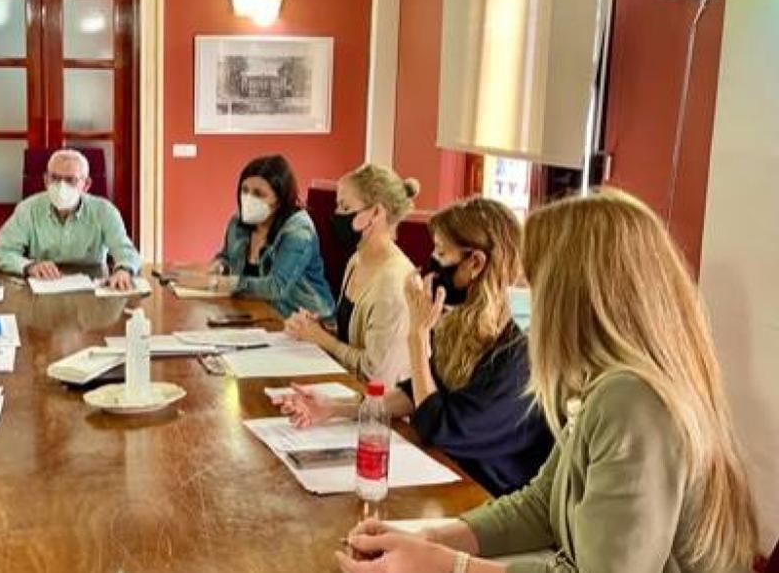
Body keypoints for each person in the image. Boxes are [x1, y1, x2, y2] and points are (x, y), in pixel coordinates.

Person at [334, 191, 758, 573]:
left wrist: (448, 565)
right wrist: (429, 538)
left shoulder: (633, 402)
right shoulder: (603, 384)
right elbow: (540, 504)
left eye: (536, 288)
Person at [281, 197, 552, 495]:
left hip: (485, 496)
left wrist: (417, 336)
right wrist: (334, 408)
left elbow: (436, 425)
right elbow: (415, 395)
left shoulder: (515, 358)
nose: (431, 262)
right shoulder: (460, 326)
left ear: (475, 263)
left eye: (441, 252)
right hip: (446, 478)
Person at [283, 164, 418, 387]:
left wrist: (322, 339)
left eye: (345, 207)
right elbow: (352, 337)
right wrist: (317, 328)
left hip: (379, 401)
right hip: (345, 387)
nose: (337, 215)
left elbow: (376, 373)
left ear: (376, 213)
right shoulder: (357, 259)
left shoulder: (394, 283)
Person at [173, 155, 333, 318]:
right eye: (245, 190)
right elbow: (227, 257)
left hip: (305, 320)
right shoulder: (238, 222)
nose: (248, 199)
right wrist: (218, 267)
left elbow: (276, 287)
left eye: (258, 194)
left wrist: (215, 283)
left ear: (279, 200)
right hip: (255, 309)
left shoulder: (298, 231)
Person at [0, 149, 141, 291]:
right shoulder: (28, 209)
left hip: (91, 290)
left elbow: (126, 251)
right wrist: (29, 266)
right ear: (46, 180)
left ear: (86, 184)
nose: (61, 186)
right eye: (54, 178)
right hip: (42, 288)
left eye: (70, 180)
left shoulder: (104, 211)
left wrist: (124, 270)